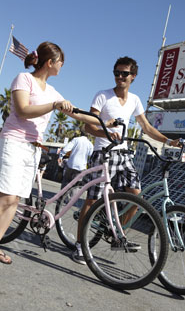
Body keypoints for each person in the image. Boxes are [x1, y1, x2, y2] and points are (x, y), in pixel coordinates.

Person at [0, 41, 115, 265]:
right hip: (14, 142)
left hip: (33, 149)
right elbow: (23, 110)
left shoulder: (53, 92)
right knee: (5, 196)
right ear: (50, 62)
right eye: (61, 62)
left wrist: (105, 122)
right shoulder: (24, 79)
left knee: (15, 201)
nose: (62, 66)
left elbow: (79, 115)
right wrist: (54, 106)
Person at [72, 56, 181, 265]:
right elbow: (88, 126)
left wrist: (169, 141)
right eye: (117, 73)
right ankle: (79, 245)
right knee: (92, 200)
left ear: (133, 76)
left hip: (124, 155)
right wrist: (106, 133)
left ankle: (115, 233)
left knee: (137, 198)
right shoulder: (102, 96)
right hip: (104, 153)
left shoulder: (135, 100)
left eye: (124, 74)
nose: (120, 77)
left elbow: (147, 128)